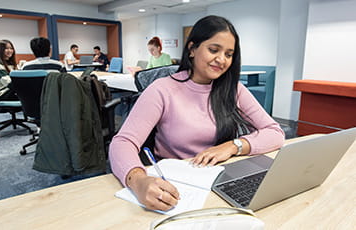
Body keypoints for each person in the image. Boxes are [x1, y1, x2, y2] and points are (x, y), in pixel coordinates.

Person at [109, 16, 285, 212]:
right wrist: (138, 180)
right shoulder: (162, 89)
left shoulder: (233, 89)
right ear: (192, 49)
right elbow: (122, 142)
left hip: (222, 181)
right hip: (177, 188)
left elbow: (275, 132)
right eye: (214, 50)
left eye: (229, 54)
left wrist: (234, 146)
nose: (222, 60)